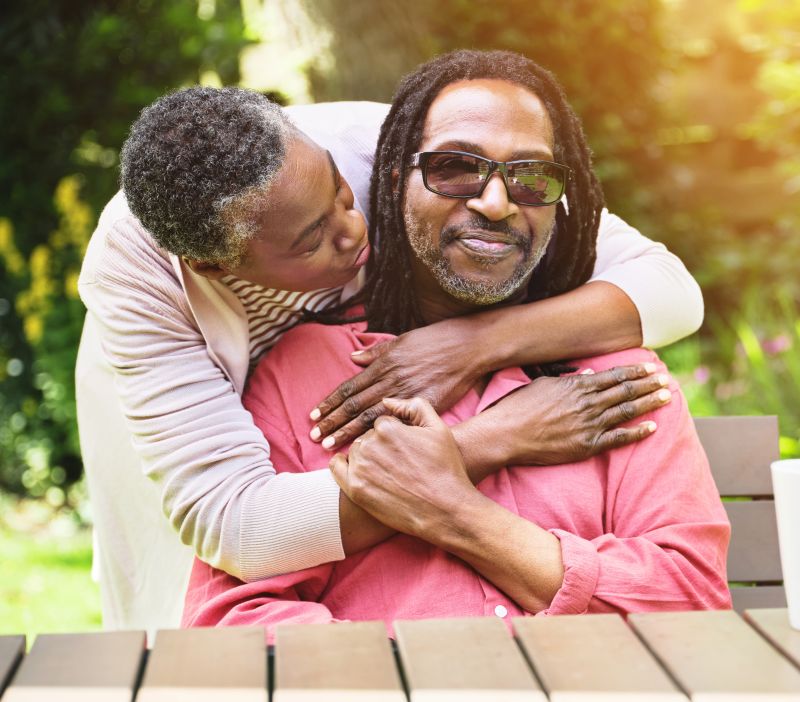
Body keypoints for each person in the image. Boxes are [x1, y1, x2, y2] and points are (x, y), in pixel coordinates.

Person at [77, 77, 704, 631]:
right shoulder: (139, 282)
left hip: (372, 368)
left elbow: (669, 288)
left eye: (343, 195)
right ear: (215, 267)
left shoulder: (434, 157)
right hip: (234, 411)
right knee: (168, 619)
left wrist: (469, 345)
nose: (354, 231)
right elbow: (235, 529)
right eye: (314, 238)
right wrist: (489, 441)